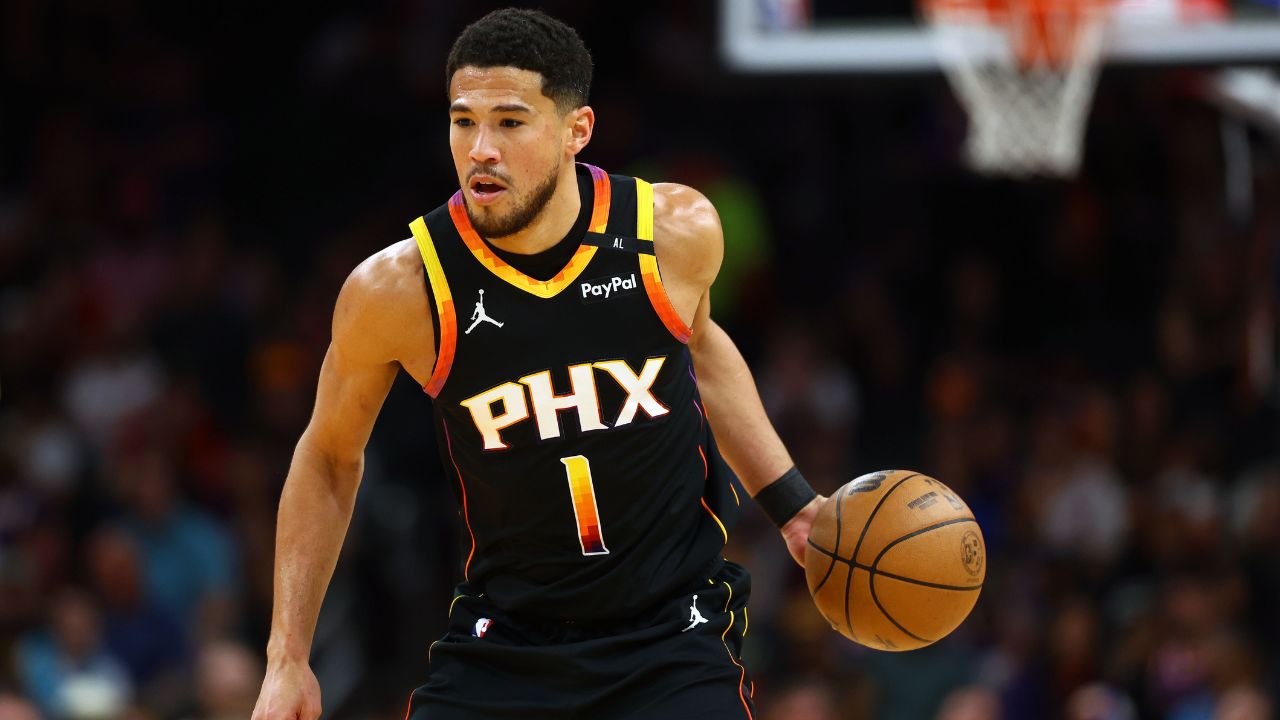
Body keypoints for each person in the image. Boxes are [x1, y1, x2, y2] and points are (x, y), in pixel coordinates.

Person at [251, 8, 825, 720]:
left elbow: (700, 349)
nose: (480, 149)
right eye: (463, 121)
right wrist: (287, 657)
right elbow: (328, 457)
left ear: (576, 130)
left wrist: (792, 505)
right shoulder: (398, 291)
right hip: (506, 645)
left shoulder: (671, 233)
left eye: (510, 122)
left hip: (672, 636)